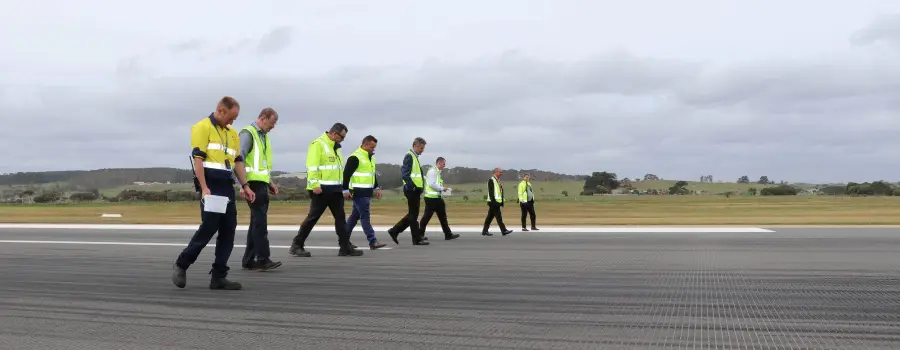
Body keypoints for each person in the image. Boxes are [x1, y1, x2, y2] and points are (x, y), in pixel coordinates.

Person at [172, 96, 255, 290]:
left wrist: (245, 186)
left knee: (228, 230)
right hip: (211, 184)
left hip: (226, 185)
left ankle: (219, 276)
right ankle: (182, 264)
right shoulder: (202, 127)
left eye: (235, 119)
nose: (232, 122)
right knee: (209, 227)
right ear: (220, 110)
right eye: (230, 117)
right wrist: (204, 188)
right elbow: (198, 160)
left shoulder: (233, 133)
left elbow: (238, 162)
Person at [289, 123, 363, 257]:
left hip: (335, 189)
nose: (343, 140)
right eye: (342, 137)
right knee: (313, 217)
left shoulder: (336, 148)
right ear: (334, 134)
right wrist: (315, 184)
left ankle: (344, 246)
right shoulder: (318, 144)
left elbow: (337, 171)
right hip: (321, 189)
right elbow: (312, 166)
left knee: (340, 218)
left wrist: (343, 188)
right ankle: (296, 245)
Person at [239, 107, 283, 271]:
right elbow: (239, 159)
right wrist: (242, 185)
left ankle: (249, 260)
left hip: (261, 184)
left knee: (256, 222)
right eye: (272, 123)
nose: (273, 127)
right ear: (263, 118)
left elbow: (261, 165)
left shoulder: (262, 137)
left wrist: (269, 182)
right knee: (260, 223)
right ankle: (263, 259)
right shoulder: (248, 134)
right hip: (252, 185)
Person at [343, 135, 388, 250]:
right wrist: (345, 190)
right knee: (365, 217)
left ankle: (344, 241)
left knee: (354, 217)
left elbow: (372, 175)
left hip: (366, 192)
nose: (374, 149)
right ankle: (372, 241)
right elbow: (346, 175)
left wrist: (377, 188)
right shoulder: (355, 157)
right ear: (365, 144)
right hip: (358, 192)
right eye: (372, 147)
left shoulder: (370, 157)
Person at [387, 137, 430, 246]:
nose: (422, 150)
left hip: (414, 191)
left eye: (423, 148)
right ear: (415, 146)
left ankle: (395, 231)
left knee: (412, 215)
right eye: (421, 148)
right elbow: (405, 174)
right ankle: (416, 239)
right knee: (413, 216)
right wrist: (413, 187)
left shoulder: (414, 157)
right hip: (412, 191)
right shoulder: (409, 156)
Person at [419, 157, 460, 240]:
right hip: (431, 198)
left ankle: (448, 234)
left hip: (437, 198)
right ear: (439, 163)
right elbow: (431, 184)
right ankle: (420, 235)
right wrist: (442, 188)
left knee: (443, 217)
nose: (444, 166)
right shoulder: (432, 171)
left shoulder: (437, 172)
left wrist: (442, 190)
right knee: (426, 217)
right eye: (444, 164)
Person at [482, 167, 513, 236]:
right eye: (500, 172)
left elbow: (500, 192)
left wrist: (501, 202)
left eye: (501, 172)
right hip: (493, 202)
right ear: (496, 172)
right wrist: (494, 202)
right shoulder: (491, 180)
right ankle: (503, 230)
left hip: (496, 202)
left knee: (489, 217)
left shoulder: (498, 180)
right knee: (499, 217)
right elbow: (491, 193)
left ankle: (484, 231)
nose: (501, 173)